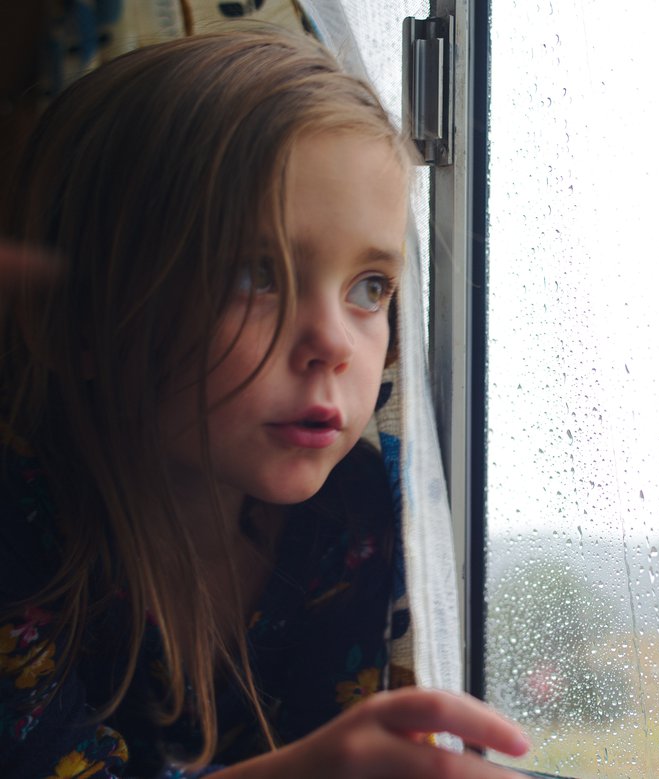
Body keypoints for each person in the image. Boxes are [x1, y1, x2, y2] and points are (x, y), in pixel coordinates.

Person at [0, 28, 527, 778]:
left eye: (370, 287)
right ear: (84, 320)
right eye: (257, 273)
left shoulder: (359, 518)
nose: (333, 343)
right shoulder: (21, 519)